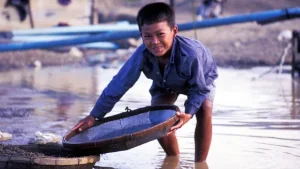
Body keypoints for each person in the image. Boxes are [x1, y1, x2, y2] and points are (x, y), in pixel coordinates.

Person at [72, 2, 218, 162]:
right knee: (157, 117)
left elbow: (200, 89)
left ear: (174, 31)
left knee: (204, 108)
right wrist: (94, 115)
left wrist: (188, 114)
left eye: (160, 34)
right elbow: (119, 84)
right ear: (141, 36)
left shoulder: (192, 54)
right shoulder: (142, 54)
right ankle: (173, 159)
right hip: (164, 84)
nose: (154, 42)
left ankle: (200, 163)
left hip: (201, 80)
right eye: (148, 36)